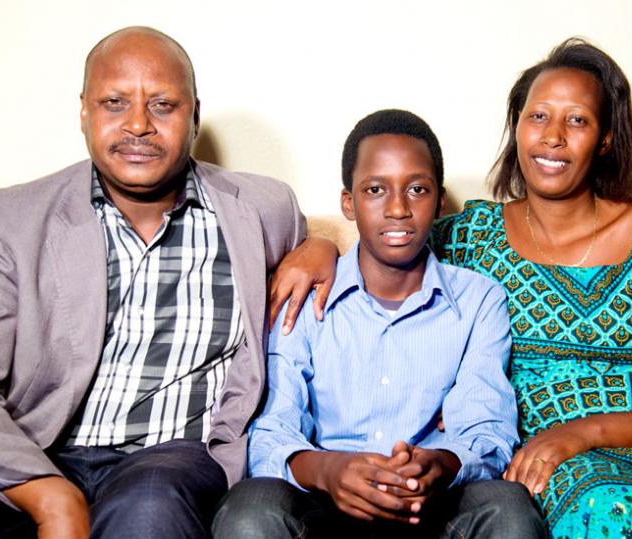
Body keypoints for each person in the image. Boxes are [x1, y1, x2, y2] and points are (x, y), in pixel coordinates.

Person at [269, 39, 632, 538]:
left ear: (606, 139)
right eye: (538, 117)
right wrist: (316, 247)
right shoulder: (472, 236)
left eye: (577, 120)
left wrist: (586, 432)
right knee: (603, 508)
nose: (553, 137)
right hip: (559, 473)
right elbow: (388, 239)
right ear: (517, 127)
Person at [0, 26, 309, 538]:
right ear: (84, 113)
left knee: (148, 507)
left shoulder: (264, 210)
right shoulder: (7, 221)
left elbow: (350, 261)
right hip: (35, 449)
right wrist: (47, 493)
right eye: (115, 102)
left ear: (195, 115)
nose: (138, 124)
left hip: (172, 459)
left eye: (163, 105)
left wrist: (320, 249)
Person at [213, 109, 546, 538]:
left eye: (417, 189)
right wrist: (328, 470)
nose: (397, 208)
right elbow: (271, 426)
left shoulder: (479, 300)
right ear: (347, 202)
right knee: (250, 508)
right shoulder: (307, 290)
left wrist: (440, 464)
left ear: (440, 200)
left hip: (432, 500)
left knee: (508, 507)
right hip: (326, 496)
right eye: (374, 189)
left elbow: (488, 429)